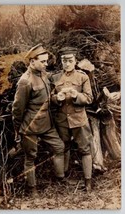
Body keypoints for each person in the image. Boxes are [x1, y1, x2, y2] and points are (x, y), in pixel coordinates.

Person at [12, 44, 65, 197]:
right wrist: (19, 129)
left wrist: (56, 99)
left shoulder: (43, 74)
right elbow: (17, 109)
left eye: (46, 61)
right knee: (30, 157)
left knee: (59, 147)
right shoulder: (25, 81)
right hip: (30, 127)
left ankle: (60, 179)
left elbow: (46, 98)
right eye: (42, 61)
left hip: (47, 124)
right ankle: (32, 189)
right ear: (32, 61)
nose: (45, 64)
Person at [51, 47, 93, 192]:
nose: (67, 63)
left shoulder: (82, 77)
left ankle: (88, 181)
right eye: (64, 61)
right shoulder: (55, 78)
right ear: (61, 62)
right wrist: (57, 98)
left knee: (85, 149)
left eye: (70, 60)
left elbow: (89, 98)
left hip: (79, 119)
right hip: (62, 119)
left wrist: (76, 96)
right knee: (63, 147)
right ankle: (63, 178)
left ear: (75, 61)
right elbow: (50, 98)